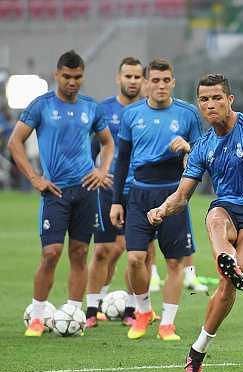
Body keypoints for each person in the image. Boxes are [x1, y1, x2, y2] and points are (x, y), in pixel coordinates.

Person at [146, 73, 243, 372]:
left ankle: (197, 350)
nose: (210, 104)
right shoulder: (202, 147)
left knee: (228, 284)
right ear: (199, 104)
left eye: (217, 98)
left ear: (230, 100)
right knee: (215, 217)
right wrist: (162, 209)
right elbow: (182, 196)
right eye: (204, 99)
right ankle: (226, 260)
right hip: (228, 209)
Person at [8, 50, 115, 336]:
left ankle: (72, 311)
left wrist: (102, 170)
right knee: (51, 253)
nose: (72, 82)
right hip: (54, 191)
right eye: (67, 76)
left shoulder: (91, 107)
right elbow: (15, 142)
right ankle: (38, 315)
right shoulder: (41, 105)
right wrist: (34, 177)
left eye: (77, 77)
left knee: (79, 253)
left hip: (86, 190)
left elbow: (108, 143)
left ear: (83, 77)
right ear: (57, 75)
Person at [110, 58, 202, 341]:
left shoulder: (187, 114)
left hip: (174, 194)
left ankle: (168, 324)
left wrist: (187, 147)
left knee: (174, 263)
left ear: (173, 82)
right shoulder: (132, 114)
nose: (161, 85)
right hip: (138, 194)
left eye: (166, 80)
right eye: (155, 81)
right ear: (146, 83)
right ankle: (144, 311)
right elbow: (122, 159)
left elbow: (201, 156)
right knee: (136, 259)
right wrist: (116, 201)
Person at [85, 57, 144, 328]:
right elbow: (91, 151)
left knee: (134, 250)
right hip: (109, 189)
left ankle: (132, 309)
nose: (132, 81)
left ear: (142, 80)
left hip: (141, 190)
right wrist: (97, 173)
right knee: (102, 250)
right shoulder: (103, 109)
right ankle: (91, 310)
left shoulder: (148, 110)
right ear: (118, 78)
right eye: (127, 76)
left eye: (136, 76)